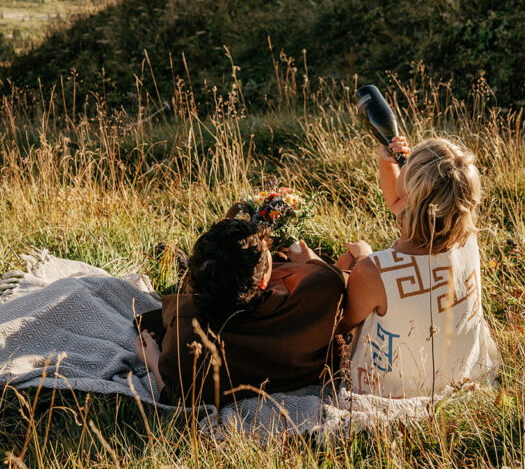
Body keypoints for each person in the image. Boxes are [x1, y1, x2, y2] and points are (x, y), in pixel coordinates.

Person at [341, 135, 501, 397]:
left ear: (411, 199)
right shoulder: (467, 241)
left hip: (395, 393)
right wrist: (387, 163)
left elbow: (343, 324)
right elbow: (401, 204)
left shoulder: (375, 271)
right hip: (462, 375)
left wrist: (359, 259)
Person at [135, 212, 347, 407]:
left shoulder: (188, 333)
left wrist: (153, 360)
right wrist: (311, 260)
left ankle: (186, 273)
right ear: (263, 281)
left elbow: (177, 397)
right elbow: (336, 279)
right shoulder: (317, 295)